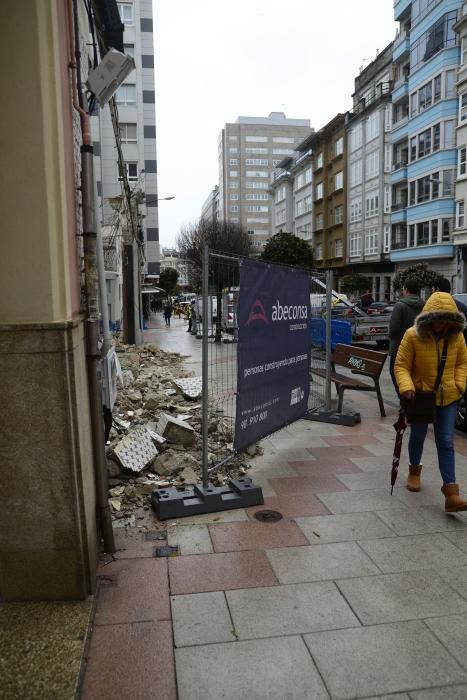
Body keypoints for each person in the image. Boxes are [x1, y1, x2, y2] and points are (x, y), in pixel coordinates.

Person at [394, 292, 467, 512]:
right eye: (440, 318)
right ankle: (414, 470)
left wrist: (459, 385)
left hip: (448, 397)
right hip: (421, 396)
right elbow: (401, 366)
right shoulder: (412, 335)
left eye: (448, 319)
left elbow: (463, 363)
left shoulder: (457, 336)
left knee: (445, 440)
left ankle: (451, 493)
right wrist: (406, 387)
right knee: (417, 436)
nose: (443, 324)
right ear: (430, 317)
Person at [388, 278, 424, 394]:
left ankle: (404, 399)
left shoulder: (400, 306)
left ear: (406, 290)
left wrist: (391, 337)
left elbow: (393, 328)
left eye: (403, 289)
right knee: (413, 374)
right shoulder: (425, 305)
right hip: (418, 347)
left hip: (399, 347)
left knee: (395, 372)